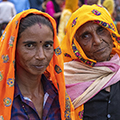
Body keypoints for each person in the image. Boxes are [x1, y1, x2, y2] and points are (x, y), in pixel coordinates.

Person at [0, 9, 74, 120]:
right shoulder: (3, 96)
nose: (41, 56)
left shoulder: (57, 95)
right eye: (30, 45)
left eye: (47, 45)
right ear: (13, 48)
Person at [61, 4, 120, 120]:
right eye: (86, 36)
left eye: (101, 29)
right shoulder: (65, 79)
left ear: (111, 31)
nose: (97, 41)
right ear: (76, 45)